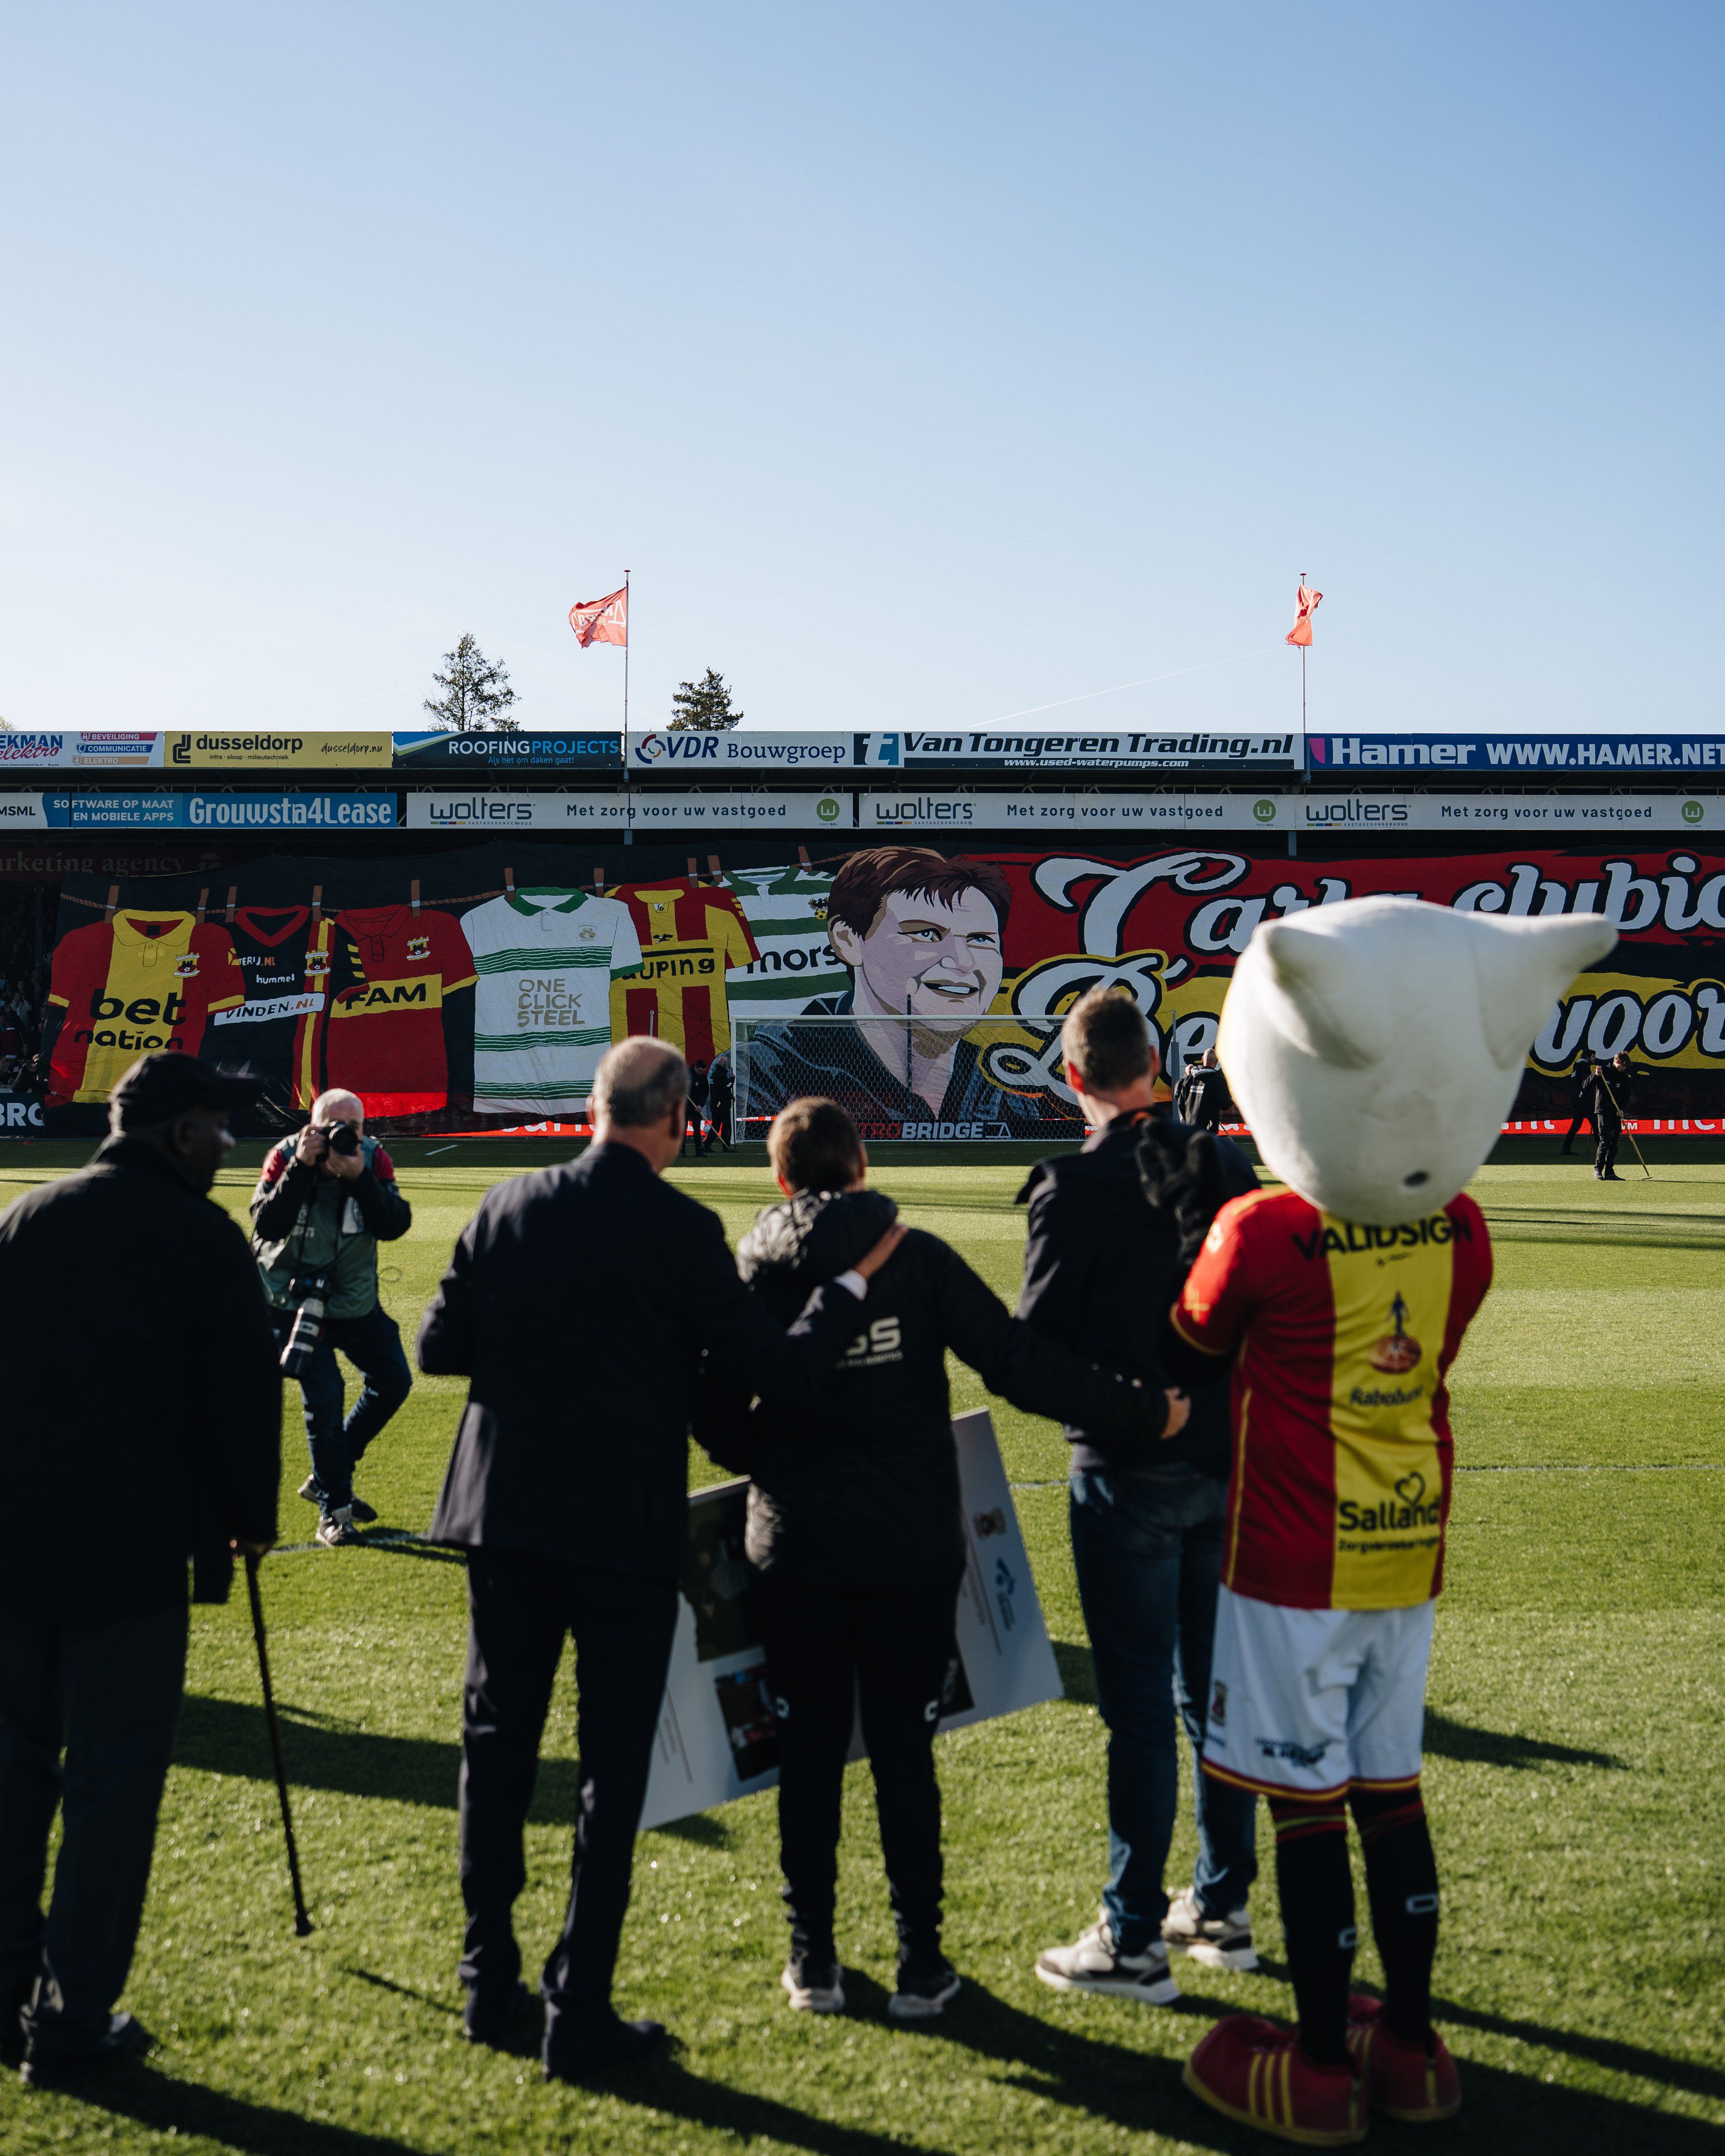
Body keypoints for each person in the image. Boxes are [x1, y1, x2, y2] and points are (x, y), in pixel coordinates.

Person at [417, 1035, 907, 2085]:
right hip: (616, 1532)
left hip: (503, 1517)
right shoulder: (682, 1229)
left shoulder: (509, 1203)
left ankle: (483, 1975)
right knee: (609, 1771)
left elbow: (438, 1347)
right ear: (678, 1116)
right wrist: (854, 1287)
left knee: (496, 1747)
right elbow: (769, 1367)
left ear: (595, 1106)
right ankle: (575, 2006)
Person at [695, 1096, 1184, 2023]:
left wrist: (783, 1465)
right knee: (902, 1756)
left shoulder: (751, 1274)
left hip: (793, 1548)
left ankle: (814, 1962)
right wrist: (1144, 1410)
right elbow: (1018, 1363)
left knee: (807, 1753)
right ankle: (921, 1963)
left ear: (782, 1178)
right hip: (909, 1550)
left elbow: (713, 1415)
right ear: (861, 1170)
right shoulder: (910, 1258)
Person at [0, 1053, 280, 2085]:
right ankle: (71, 2025)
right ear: (175, 1133)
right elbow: (242, 1401)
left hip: (15, 1550)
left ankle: (7, 1996)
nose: (228, 1144)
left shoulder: (27, 1217)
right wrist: (251, 1522)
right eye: (217, 1126)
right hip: (129, 1557)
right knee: (110, 1787)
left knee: (14, 1776)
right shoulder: (200, 1235)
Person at [1016, 989, 1261, 2004]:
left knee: (1141, 1714)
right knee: (1210, 1701)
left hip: (1130, 1473)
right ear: (1154, 1063)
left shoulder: (1070, 1189)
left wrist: (1131, 1407)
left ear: (1072, 1075)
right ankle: (1219, 1906)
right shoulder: (1226, 1163)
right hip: (1225, 1469)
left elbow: (1029, 1360)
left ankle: (1132, 1934)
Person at [742, 849, 1050, 1136]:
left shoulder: (1004, 1086)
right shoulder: (768, 1070)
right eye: (926, 934)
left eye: (981, 940)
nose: (964, 961)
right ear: (848, 940)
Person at [251, 1087, 413, 1546]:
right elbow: (266, 1225)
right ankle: (334, 1514)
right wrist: (302, 1169)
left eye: (354, 1128)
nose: (343, 1135)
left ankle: (330, 1475)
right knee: (324, 1400)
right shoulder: (285, 1156)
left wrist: (360, 1178)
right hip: (292, 1302)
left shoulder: (372, 1158)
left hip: (354, 1300)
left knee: (394, 1381)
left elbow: (394, 1225)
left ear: (364, 1129)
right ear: (311, 1126)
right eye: (331, 1127)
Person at [1584, 1051, 1644, 1180]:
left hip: (1616, 1113)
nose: (1624, 1069)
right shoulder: (1602, 1072)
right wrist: (1595, 1075)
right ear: (1617, 1061)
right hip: (1603, 1111)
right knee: (1605, 1140)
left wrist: (1622, 1109)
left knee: (1614, 1142)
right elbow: (1585, 1085)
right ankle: (1598, 1169)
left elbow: (1626, 1096)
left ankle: (1610, 1171)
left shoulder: (1624, 1077)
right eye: (1623, 1066)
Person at [1557, 1052, 1597, 1157]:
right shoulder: (1584, 1066)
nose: (1594, 1058)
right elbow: (1586, 1083)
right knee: (1596, 1124)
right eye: (1593, 1056)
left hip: (1577, 1100)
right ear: (1587, 1057)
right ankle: (1602, 1149)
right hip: (1584, 1100)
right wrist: (1595, 1076)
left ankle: (1566, 1148)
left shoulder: (1577, 1067)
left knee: (1576, 1125)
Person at [700, 1047, 734, 1152]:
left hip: (716, 1104)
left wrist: (730, 1096)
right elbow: (726, 1087)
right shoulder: (720, 1075)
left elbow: (721, 1089)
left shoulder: (716, 1074)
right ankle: (726, 1146)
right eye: (726, 1064)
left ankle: (707, 1145)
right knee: (726, 1125)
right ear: (724, 1064)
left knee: (716, 1125)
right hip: (721, 1105)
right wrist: (732, 1080)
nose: (727, 1066)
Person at [683, 1057, 709, 1155]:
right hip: (685, 1106)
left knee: (697, 1129)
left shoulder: (703, 1078)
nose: (700, 1073)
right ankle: (683, 1151)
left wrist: (700, 1105)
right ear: (695, 1067)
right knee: (683, 1129)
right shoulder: (686, 1074)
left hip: (696, 1107)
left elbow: (706, 1092)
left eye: (702, 1071)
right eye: (699, 1071)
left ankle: (699, 1151)